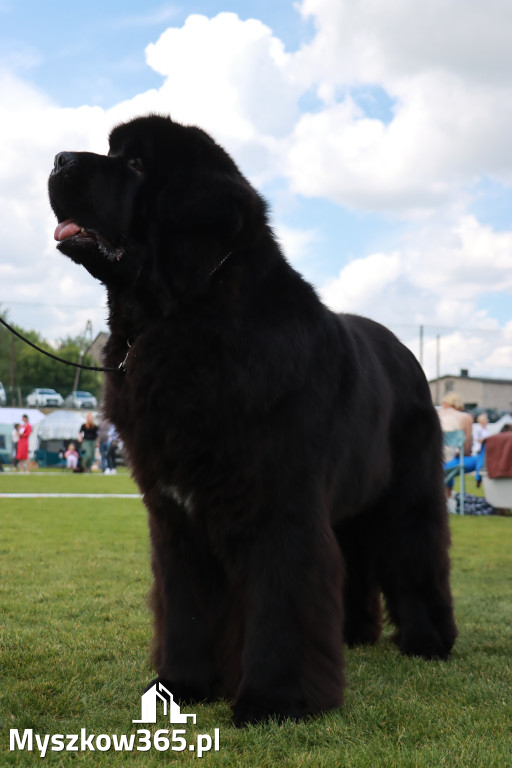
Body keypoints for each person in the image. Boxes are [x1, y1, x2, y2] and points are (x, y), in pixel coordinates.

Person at [438, 393, 478, 504]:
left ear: (445, 403)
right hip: (452, 463)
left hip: (434, 463)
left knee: (446, 467)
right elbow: (467, 448)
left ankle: (446, 497)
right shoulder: (465, 417)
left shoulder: (435, 415)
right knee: (480, 459)